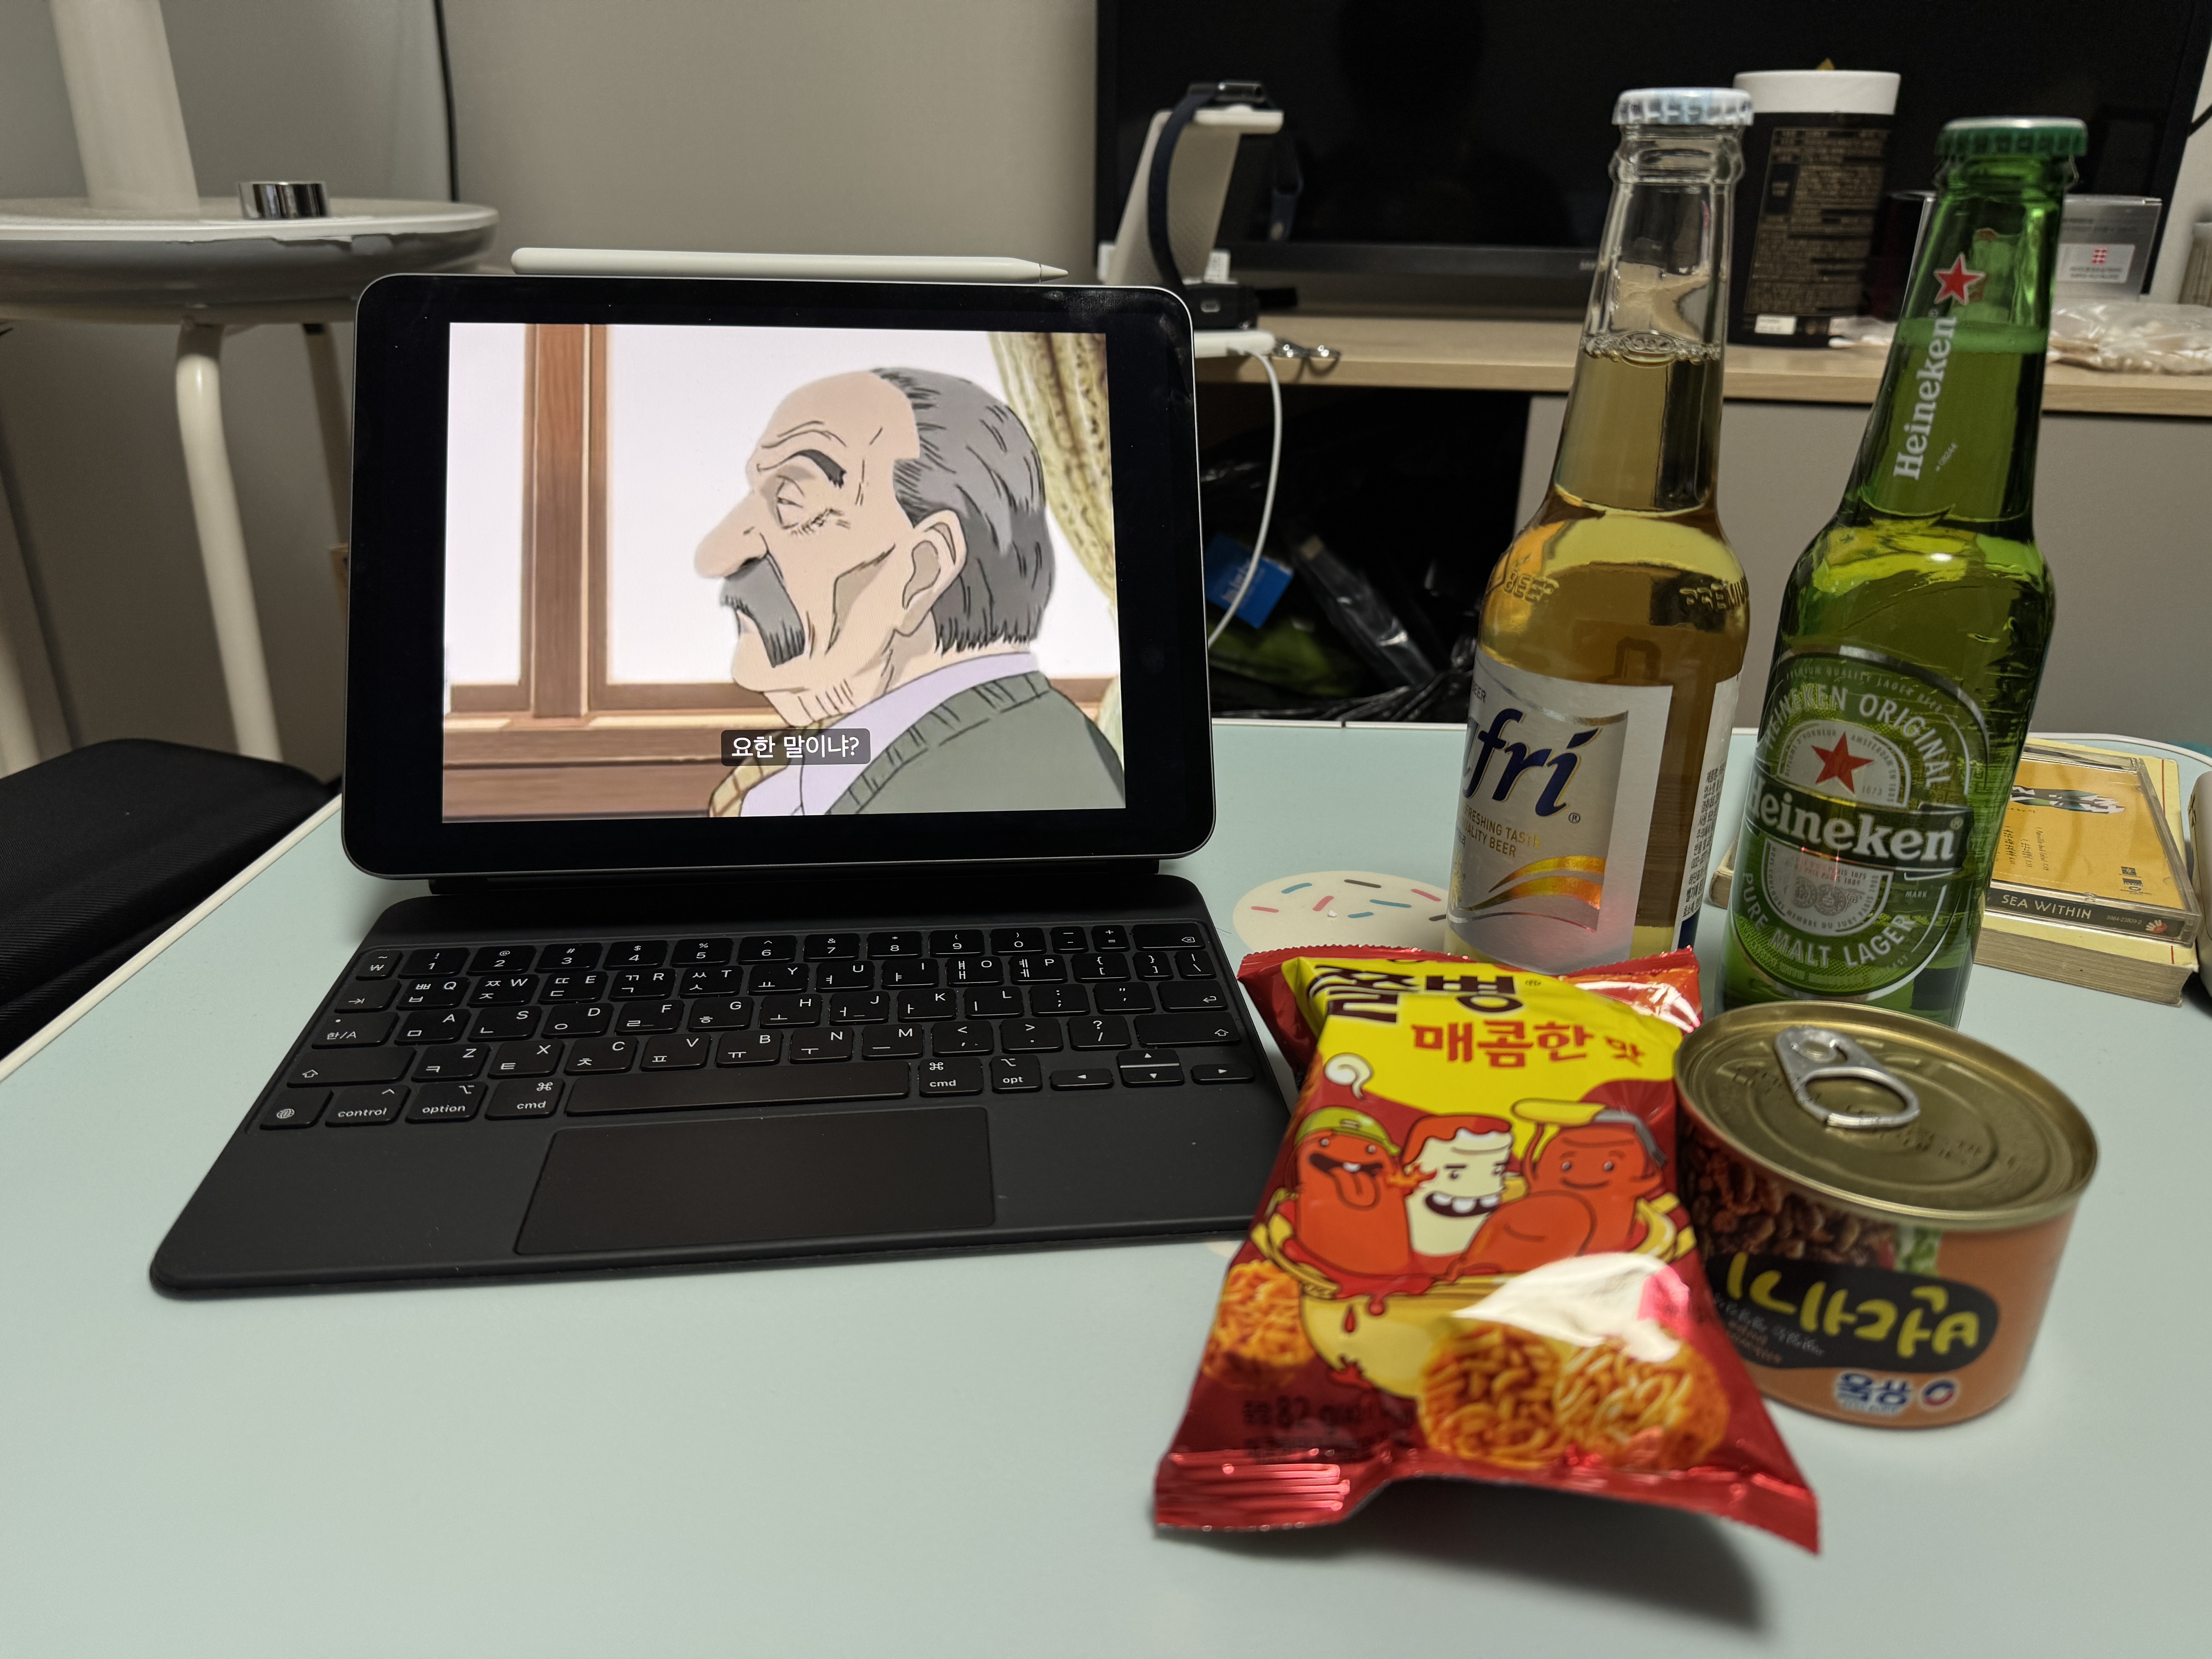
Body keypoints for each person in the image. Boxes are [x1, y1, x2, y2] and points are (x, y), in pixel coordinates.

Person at [695, 366, 1124, 816]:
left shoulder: (964, 799)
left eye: (790, 503)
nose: (716, 555)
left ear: (922, 570)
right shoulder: (1015, 734)